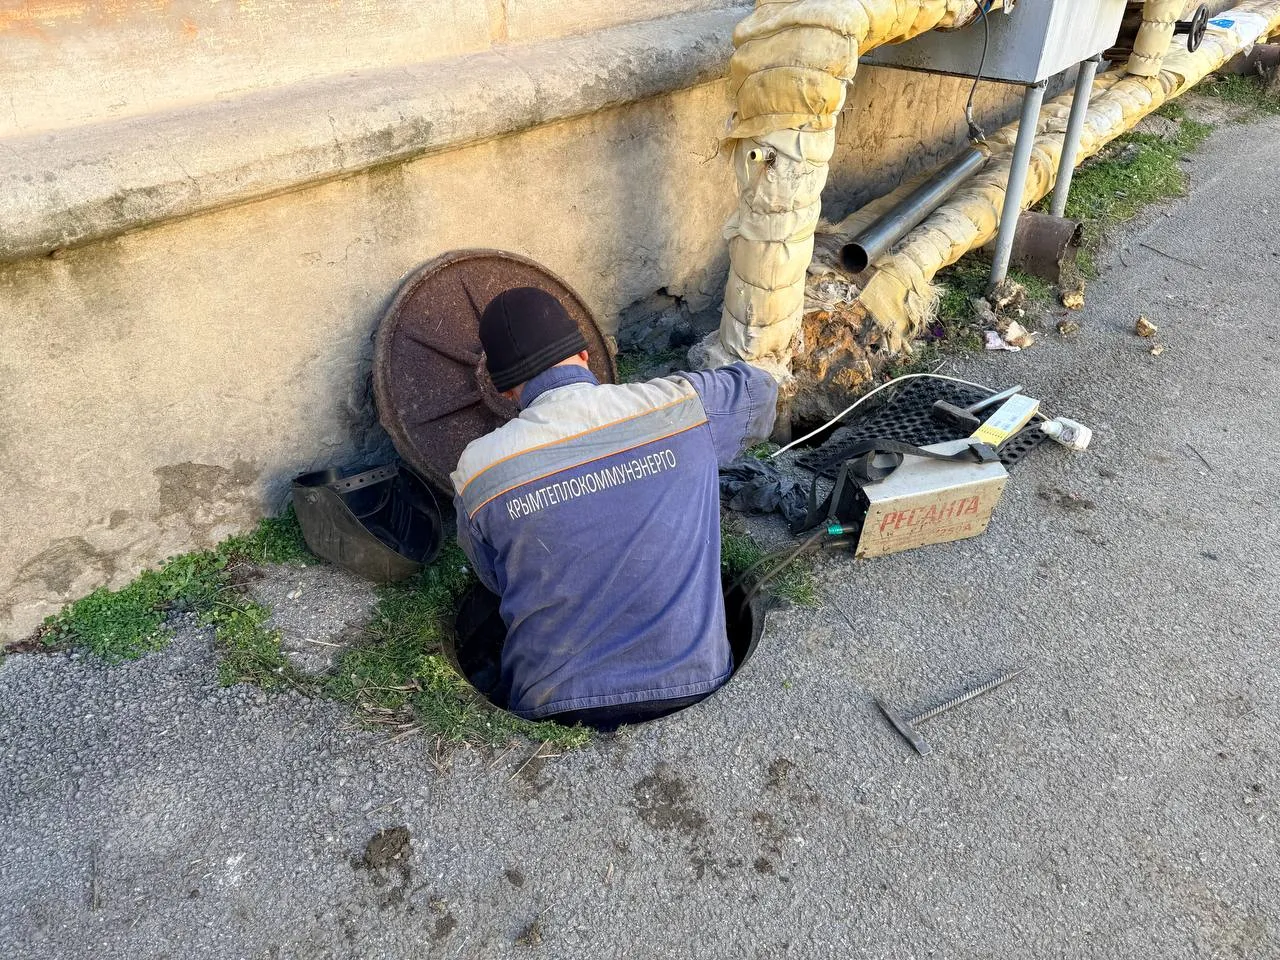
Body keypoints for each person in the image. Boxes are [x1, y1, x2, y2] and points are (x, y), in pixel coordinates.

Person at [450, 286, 778, 729]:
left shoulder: (477, 472)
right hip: (692, 682)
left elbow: (495, 579)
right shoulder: (684, 407)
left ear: (506, 391)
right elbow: (761, 391)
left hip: (554, 706)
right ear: (585, 354)